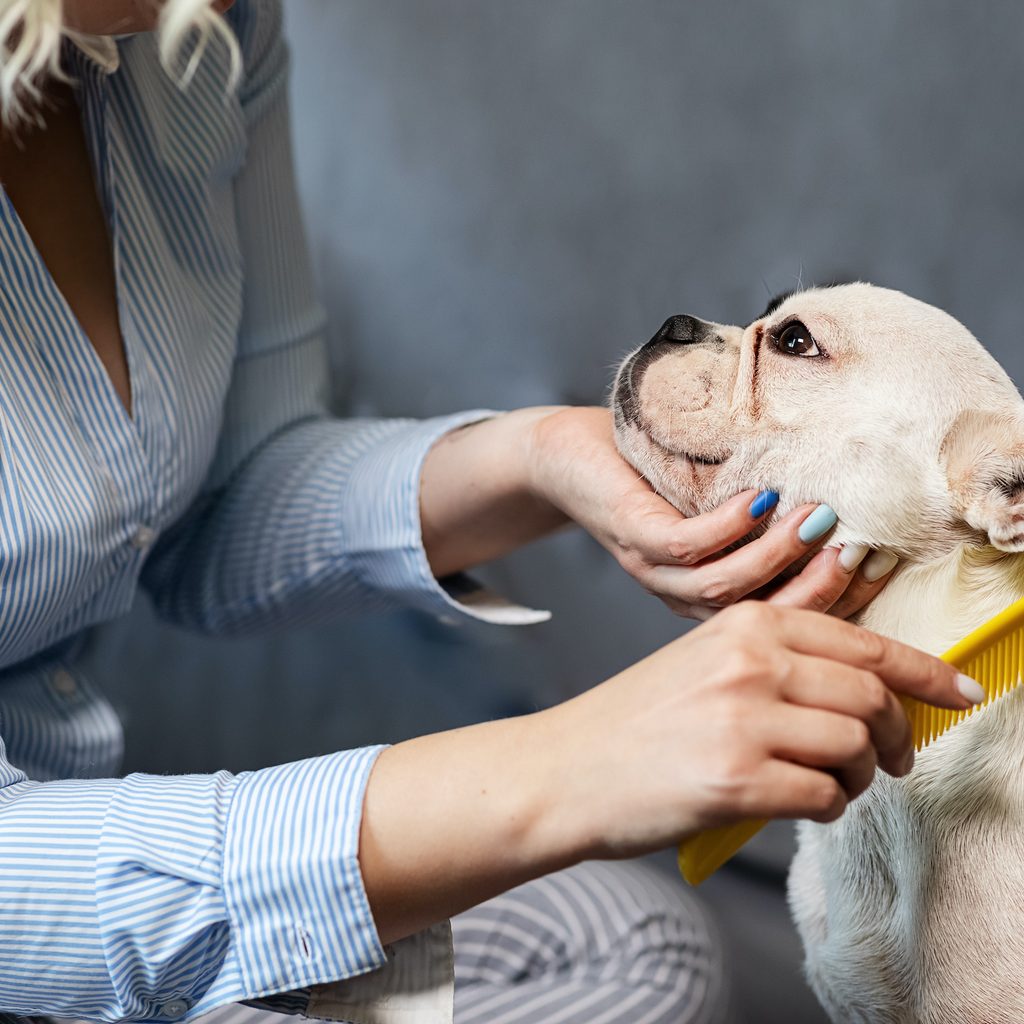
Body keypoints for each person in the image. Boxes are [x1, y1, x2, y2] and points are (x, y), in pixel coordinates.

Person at [0, 2, 985, 1023]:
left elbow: (209, 500)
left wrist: (535, 460)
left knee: (632, 949)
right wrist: (562, 767)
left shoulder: (203, 32)